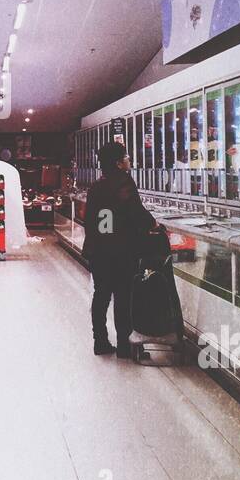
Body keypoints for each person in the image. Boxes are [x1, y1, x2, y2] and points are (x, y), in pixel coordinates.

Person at [82, 141, 157, 358]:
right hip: (122, 251)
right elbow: (136, 211)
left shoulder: (96, 187)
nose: (128, 160)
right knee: (124, 297)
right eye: (126, 157)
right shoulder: (124, 183)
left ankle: (100, 341)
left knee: (101, 295)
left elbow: (90, 220)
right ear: (117, 163)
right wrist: (153, 225)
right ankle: (125, 345)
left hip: (99, 251)